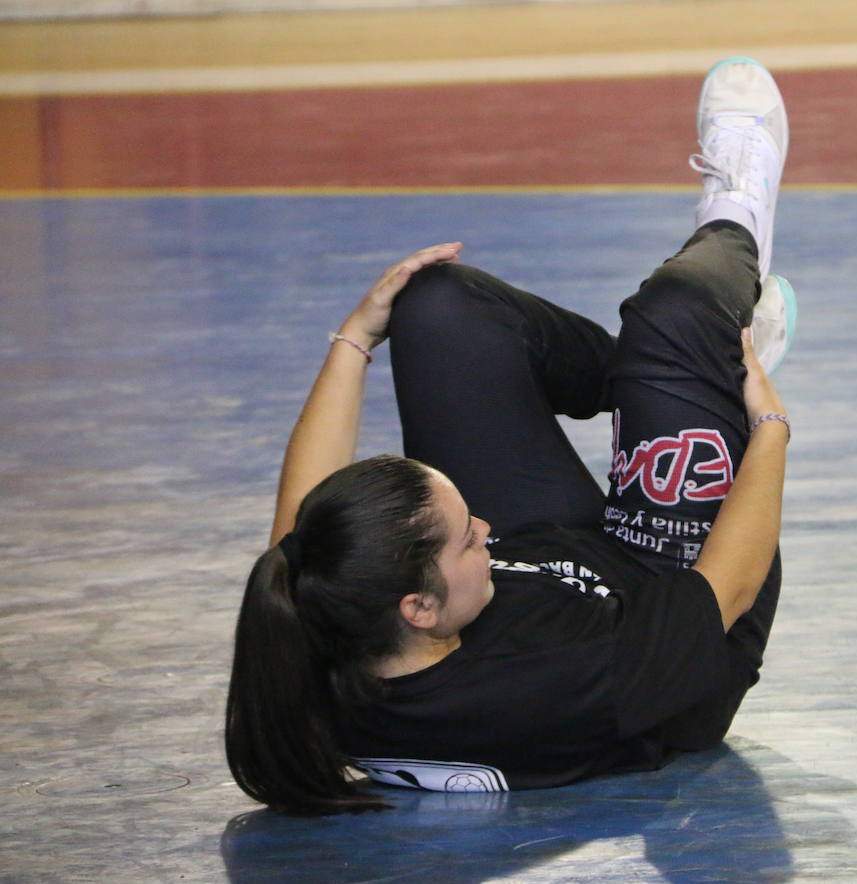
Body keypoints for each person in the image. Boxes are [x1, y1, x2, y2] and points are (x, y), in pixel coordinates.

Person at [225, 57, 796, 815]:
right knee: (680, 307)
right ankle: (735, 221)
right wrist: (765, 426)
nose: (483, 529)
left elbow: (300, 529)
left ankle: (679, 367)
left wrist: (355, 338)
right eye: (466, 536)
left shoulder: (322, 620)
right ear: (418, 609)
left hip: (538, 571)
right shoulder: (550, 683)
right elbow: (732, 588)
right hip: (671, 597)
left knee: (435, 308)